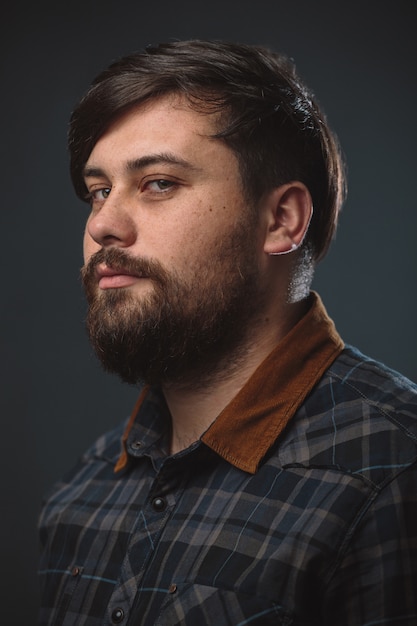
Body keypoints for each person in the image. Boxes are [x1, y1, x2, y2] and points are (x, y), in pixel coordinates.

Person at [38, 40, 417, 625]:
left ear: (281, 220)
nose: (103, 225)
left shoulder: (392, 472)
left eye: (159, 183)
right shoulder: (81, 494)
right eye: (99, 191)